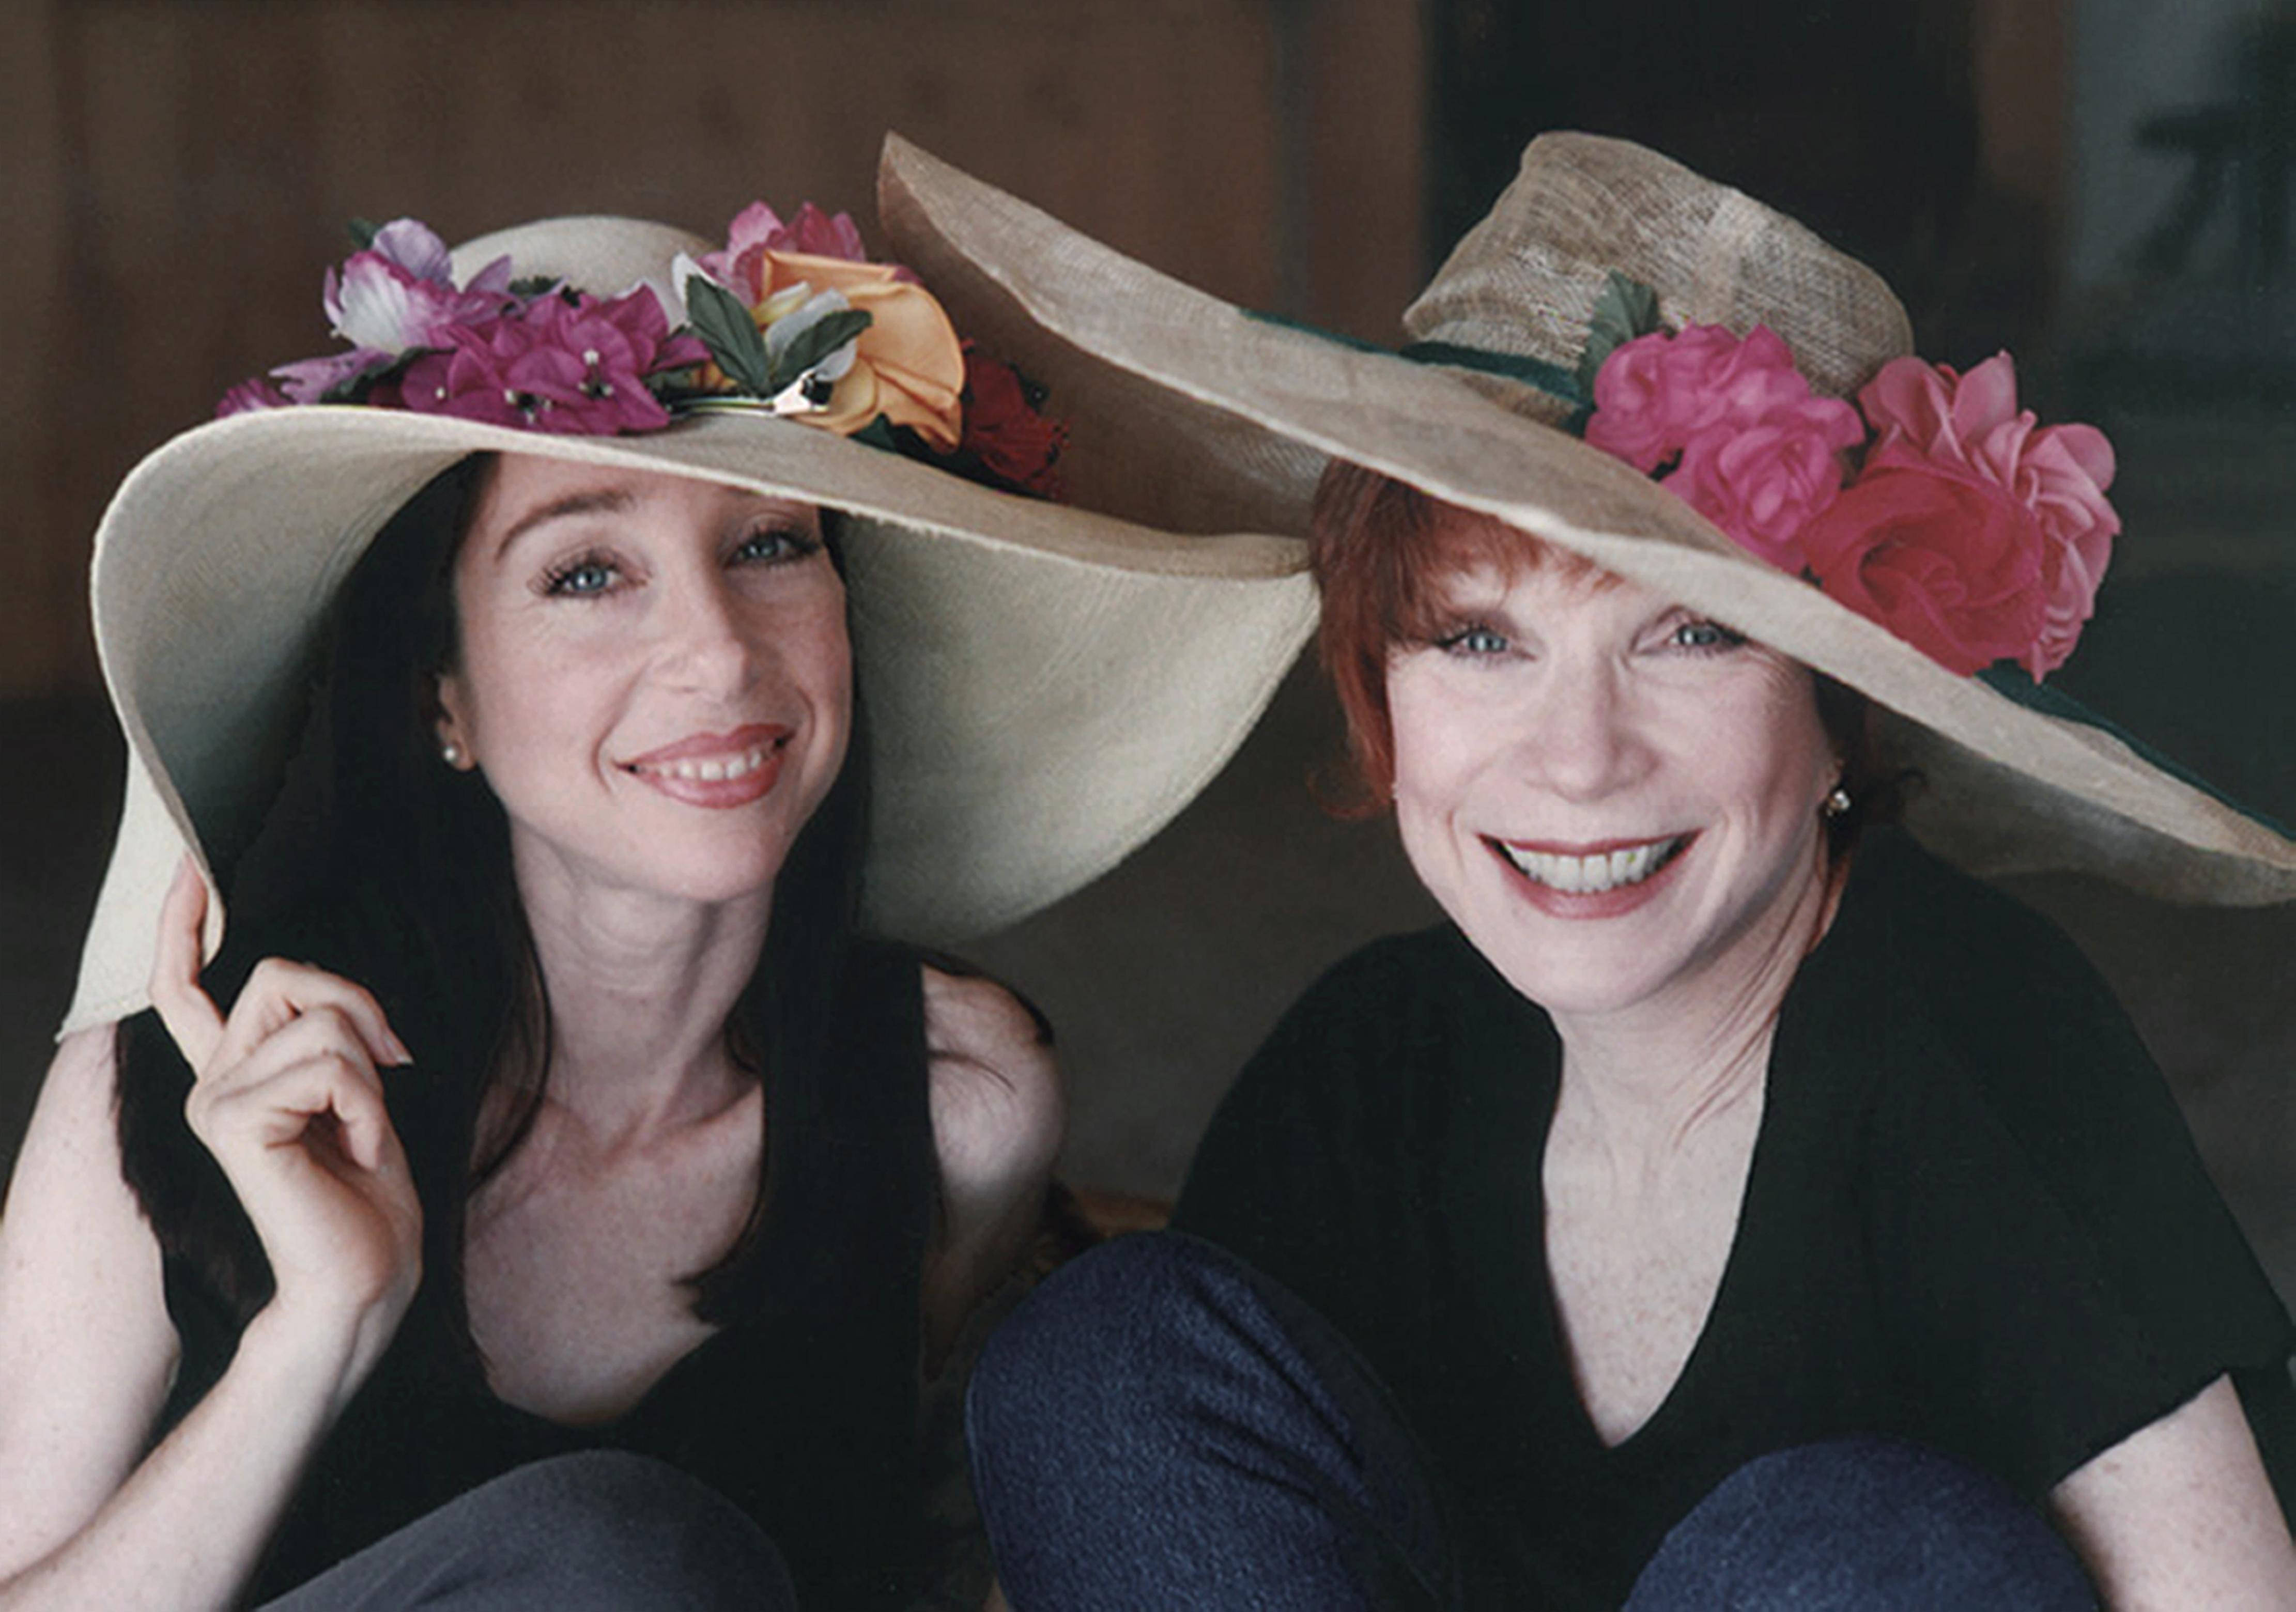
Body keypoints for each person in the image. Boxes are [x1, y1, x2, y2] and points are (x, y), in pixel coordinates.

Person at [877, 134, 2296, 1607]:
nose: (1576, 758)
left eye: (1691, 635)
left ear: (1842, 722)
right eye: (1480, 640)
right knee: (1109, 1351)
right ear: (1378, 701)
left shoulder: (1975, 1042)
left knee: (1851, 1540)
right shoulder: (1370, 1069)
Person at [0, 181, 1317, 1609]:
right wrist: (318, 1330)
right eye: (584, 571)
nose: (716, 653)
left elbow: (921, 1558)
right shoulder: (176, 1092)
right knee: (607, 1549)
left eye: (767, 547)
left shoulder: (953, 1102)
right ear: (444, 697)